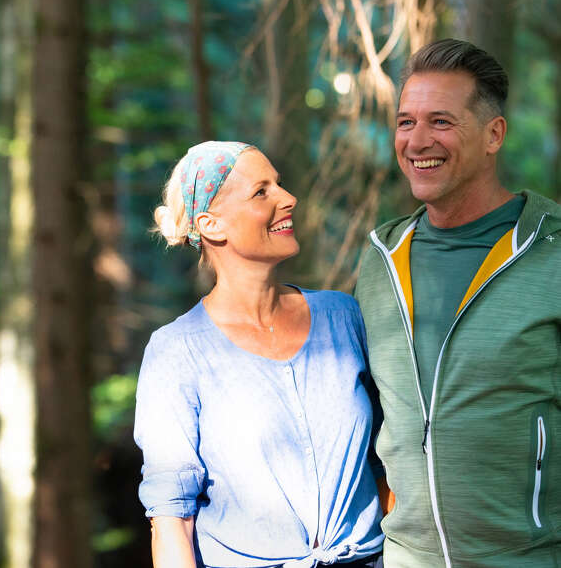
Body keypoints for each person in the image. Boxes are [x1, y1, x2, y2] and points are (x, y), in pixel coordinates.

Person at [356, 38, 561, 568]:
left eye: (441, 122)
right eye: (406, 122)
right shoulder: (380, 257)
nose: (417, 141)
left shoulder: (551, 250)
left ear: (494, 134)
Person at [134, 141, 385, 568]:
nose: (288, 200)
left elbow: (390, 460)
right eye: (261, 192)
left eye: (280, 186)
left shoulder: (343, 318)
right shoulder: (176, 351)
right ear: (212, 225)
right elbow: (172, 520)